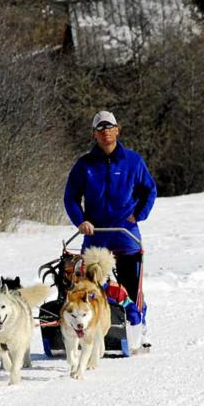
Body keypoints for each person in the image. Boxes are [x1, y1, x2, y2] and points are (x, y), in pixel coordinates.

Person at [63, 110, 157, 347]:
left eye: (109, 127)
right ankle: (92, 330)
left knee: (130, 287)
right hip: (95, 237)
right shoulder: (84, 165)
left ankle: (138, 327)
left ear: (118, 129)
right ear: (94, 134)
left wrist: (139, 215)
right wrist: (80, 221)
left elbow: (149, 190)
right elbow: (71, 197)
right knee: (91, 289)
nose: (106, 132)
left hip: (125, 235)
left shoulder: (133, 161)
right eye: (100, 128)